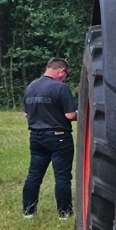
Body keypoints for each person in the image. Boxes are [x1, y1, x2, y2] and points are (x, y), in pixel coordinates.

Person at [22, 56, 77, 219]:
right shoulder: (61, 88)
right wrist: (82, 114)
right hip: (59, 137)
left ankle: (28, 212)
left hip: (36, 137)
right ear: (61, 71)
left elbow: (26, 114)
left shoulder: (31, 87)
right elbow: (70, 115)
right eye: (66, 74)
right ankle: (64, 214)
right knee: (62, 176)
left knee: (34, 175)